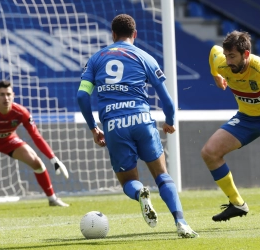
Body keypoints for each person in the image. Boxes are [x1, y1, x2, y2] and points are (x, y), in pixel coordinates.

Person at [77, 14, 198, 238]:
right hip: (141, 120)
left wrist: (94, 128)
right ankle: (181, 223)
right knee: (163, 176)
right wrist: (170, 122)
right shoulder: (145, 57)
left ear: (113, 35)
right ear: (135, 34)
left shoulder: (96, 59)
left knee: (129, 182)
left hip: (114, 124)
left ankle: (141, 193)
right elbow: (168, 102)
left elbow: (82, 96)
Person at [0, 80, 69, 207]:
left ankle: (52, 199)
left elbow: (36, 136)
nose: (6, 98)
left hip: (9, 140)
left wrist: (53, 158)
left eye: (8, 94)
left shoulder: (21, 112)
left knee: (36, 162)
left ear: (13, 95)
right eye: (2, 94)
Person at [201, 30, 260, 222]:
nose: (228, 61)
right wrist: (216, 76)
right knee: (209, 153)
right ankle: (237, 204)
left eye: (233, 56)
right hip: (246, 118)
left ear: (246, 54)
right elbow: (214, 52)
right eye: (227, 55)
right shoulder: (222, 62)